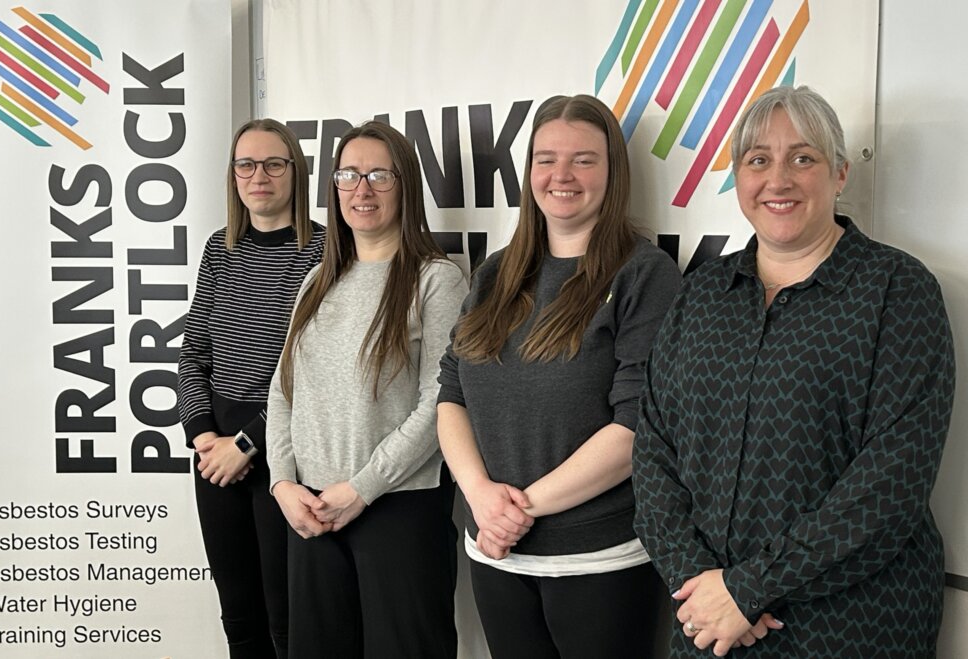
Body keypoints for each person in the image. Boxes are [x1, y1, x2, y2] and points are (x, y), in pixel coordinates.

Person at [633, 85, 956, 658]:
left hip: (849, 628)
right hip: (708, 622)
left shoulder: (897, 292)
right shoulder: (702, 293)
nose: (777, 179)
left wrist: (747, 591)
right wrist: (701, 585)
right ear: (738, 176)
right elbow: (655, 449)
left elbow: (890, 487)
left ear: (839, 174)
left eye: (802, 158)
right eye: (759, 159)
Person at [437, 94, 682, 658]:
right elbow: (451, 393)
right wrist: (479, 497)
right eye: (546, 158)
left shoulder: (646, 275)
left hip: (599, 561)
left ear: (613, 172)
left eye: (584, 159)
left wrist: (515, 510)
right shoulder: (497, 270)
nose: (561, 175)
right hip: (497, 555)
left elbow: (639, 427)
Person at [266, 120, 467, 658]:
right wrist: (283, 482)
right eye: (349, 174)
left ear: (405, 185)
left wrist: (362, 488)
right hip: (309, 513)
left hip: (397, 508)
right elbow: (283, 391)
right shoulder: (318, 280)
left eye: (380, 174)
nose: (363, 188)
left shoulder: (436, 280)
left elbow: (440, 404)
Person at [177, 119, 325, 658]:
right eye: (246, 164)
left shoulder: (324, 252)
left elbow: (312, 374)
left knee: (287, 620)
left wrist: (245, 445)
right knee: (238, 617)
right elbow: (193, 352)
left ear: (295, 172)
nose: (257, 175)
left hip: (284, 454)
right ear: (233, 175)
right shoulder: (220, 249)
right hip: (213, 455)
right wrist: (204, 438)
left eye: (272, 164)